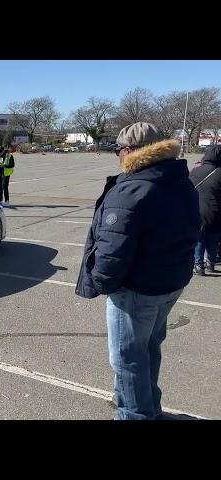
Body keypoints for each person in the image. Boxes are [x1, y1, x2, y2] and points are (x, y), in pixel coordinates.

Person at [75, 122, 200, 420]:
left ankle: (135, 414)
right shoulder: (180, 181)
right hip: (170, 283)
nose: (117, 156)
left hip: (136, 289)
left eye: (118, 150)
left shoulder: (131, 188)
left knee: (128, 359)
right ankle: (150, 409)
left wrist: (101, 282)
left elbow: (112, 249)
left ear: (130, 151)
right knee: (148, 349)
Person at [189, 144, 221, 275]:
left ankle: (198, 264)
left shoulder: (195, 171)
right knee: (213, 238)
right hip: (217, 211)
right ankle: (210, 263)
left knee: (199, 239)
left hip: (199, 210)